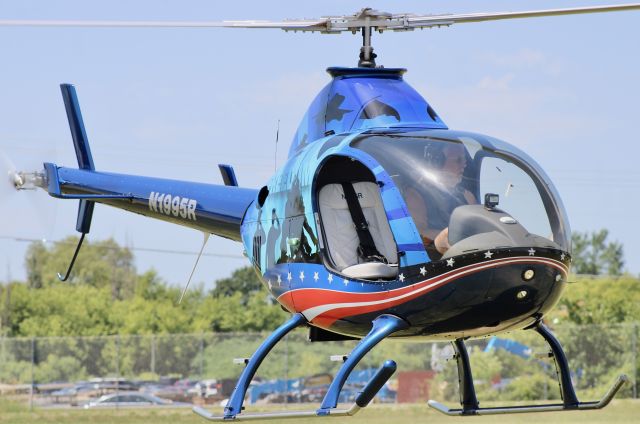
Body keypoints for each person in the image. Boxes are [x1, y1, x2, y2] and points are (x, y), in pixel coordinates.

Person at [403, 142, 476, 259]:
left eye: (464, 159)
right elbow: (417, 232)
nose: (464, 164)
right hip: (435, 261)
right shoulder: (415, 194)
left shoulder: (467, 196)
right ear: (437, 161)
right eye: (458, 160)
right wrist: (452, 237)